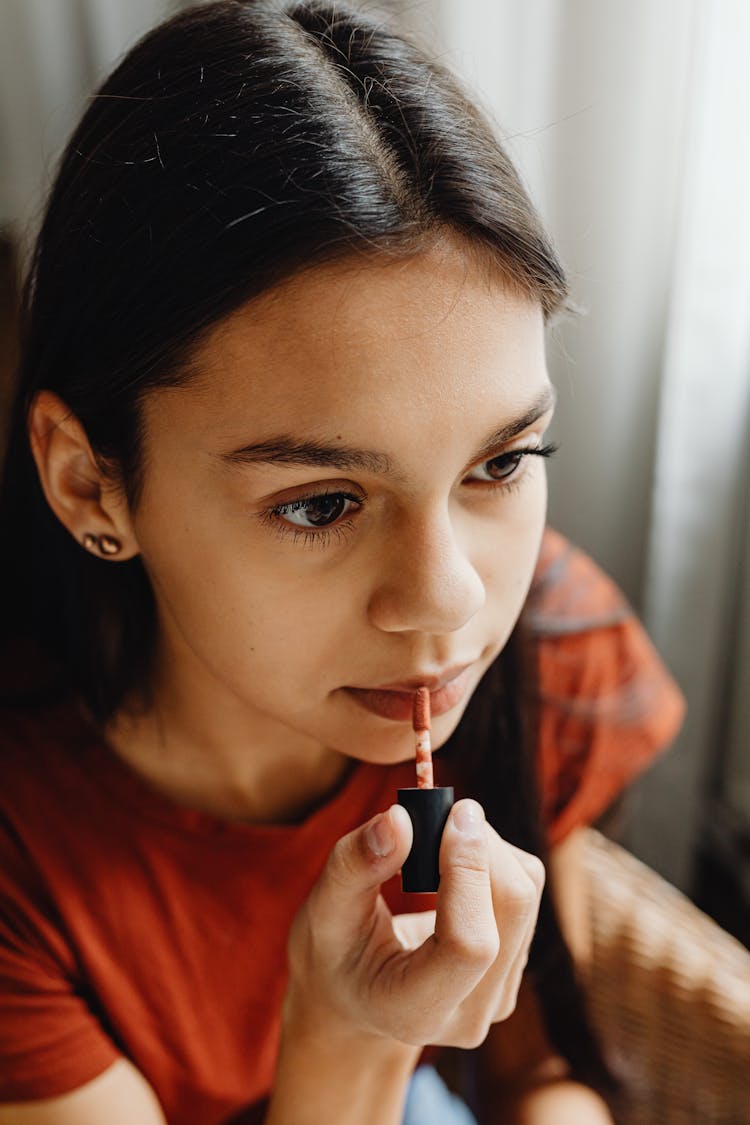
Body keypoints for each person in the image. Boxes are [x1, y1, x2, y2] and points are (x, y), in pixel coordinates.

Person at [0, 1, 686, 1122]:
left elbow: (543, 1071)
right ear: (91, 484)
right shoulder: (26, 850)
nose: (449, 602)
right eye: (320, 503)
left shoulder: (545, 646)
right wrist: (349, 1040)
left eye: (502, 463)